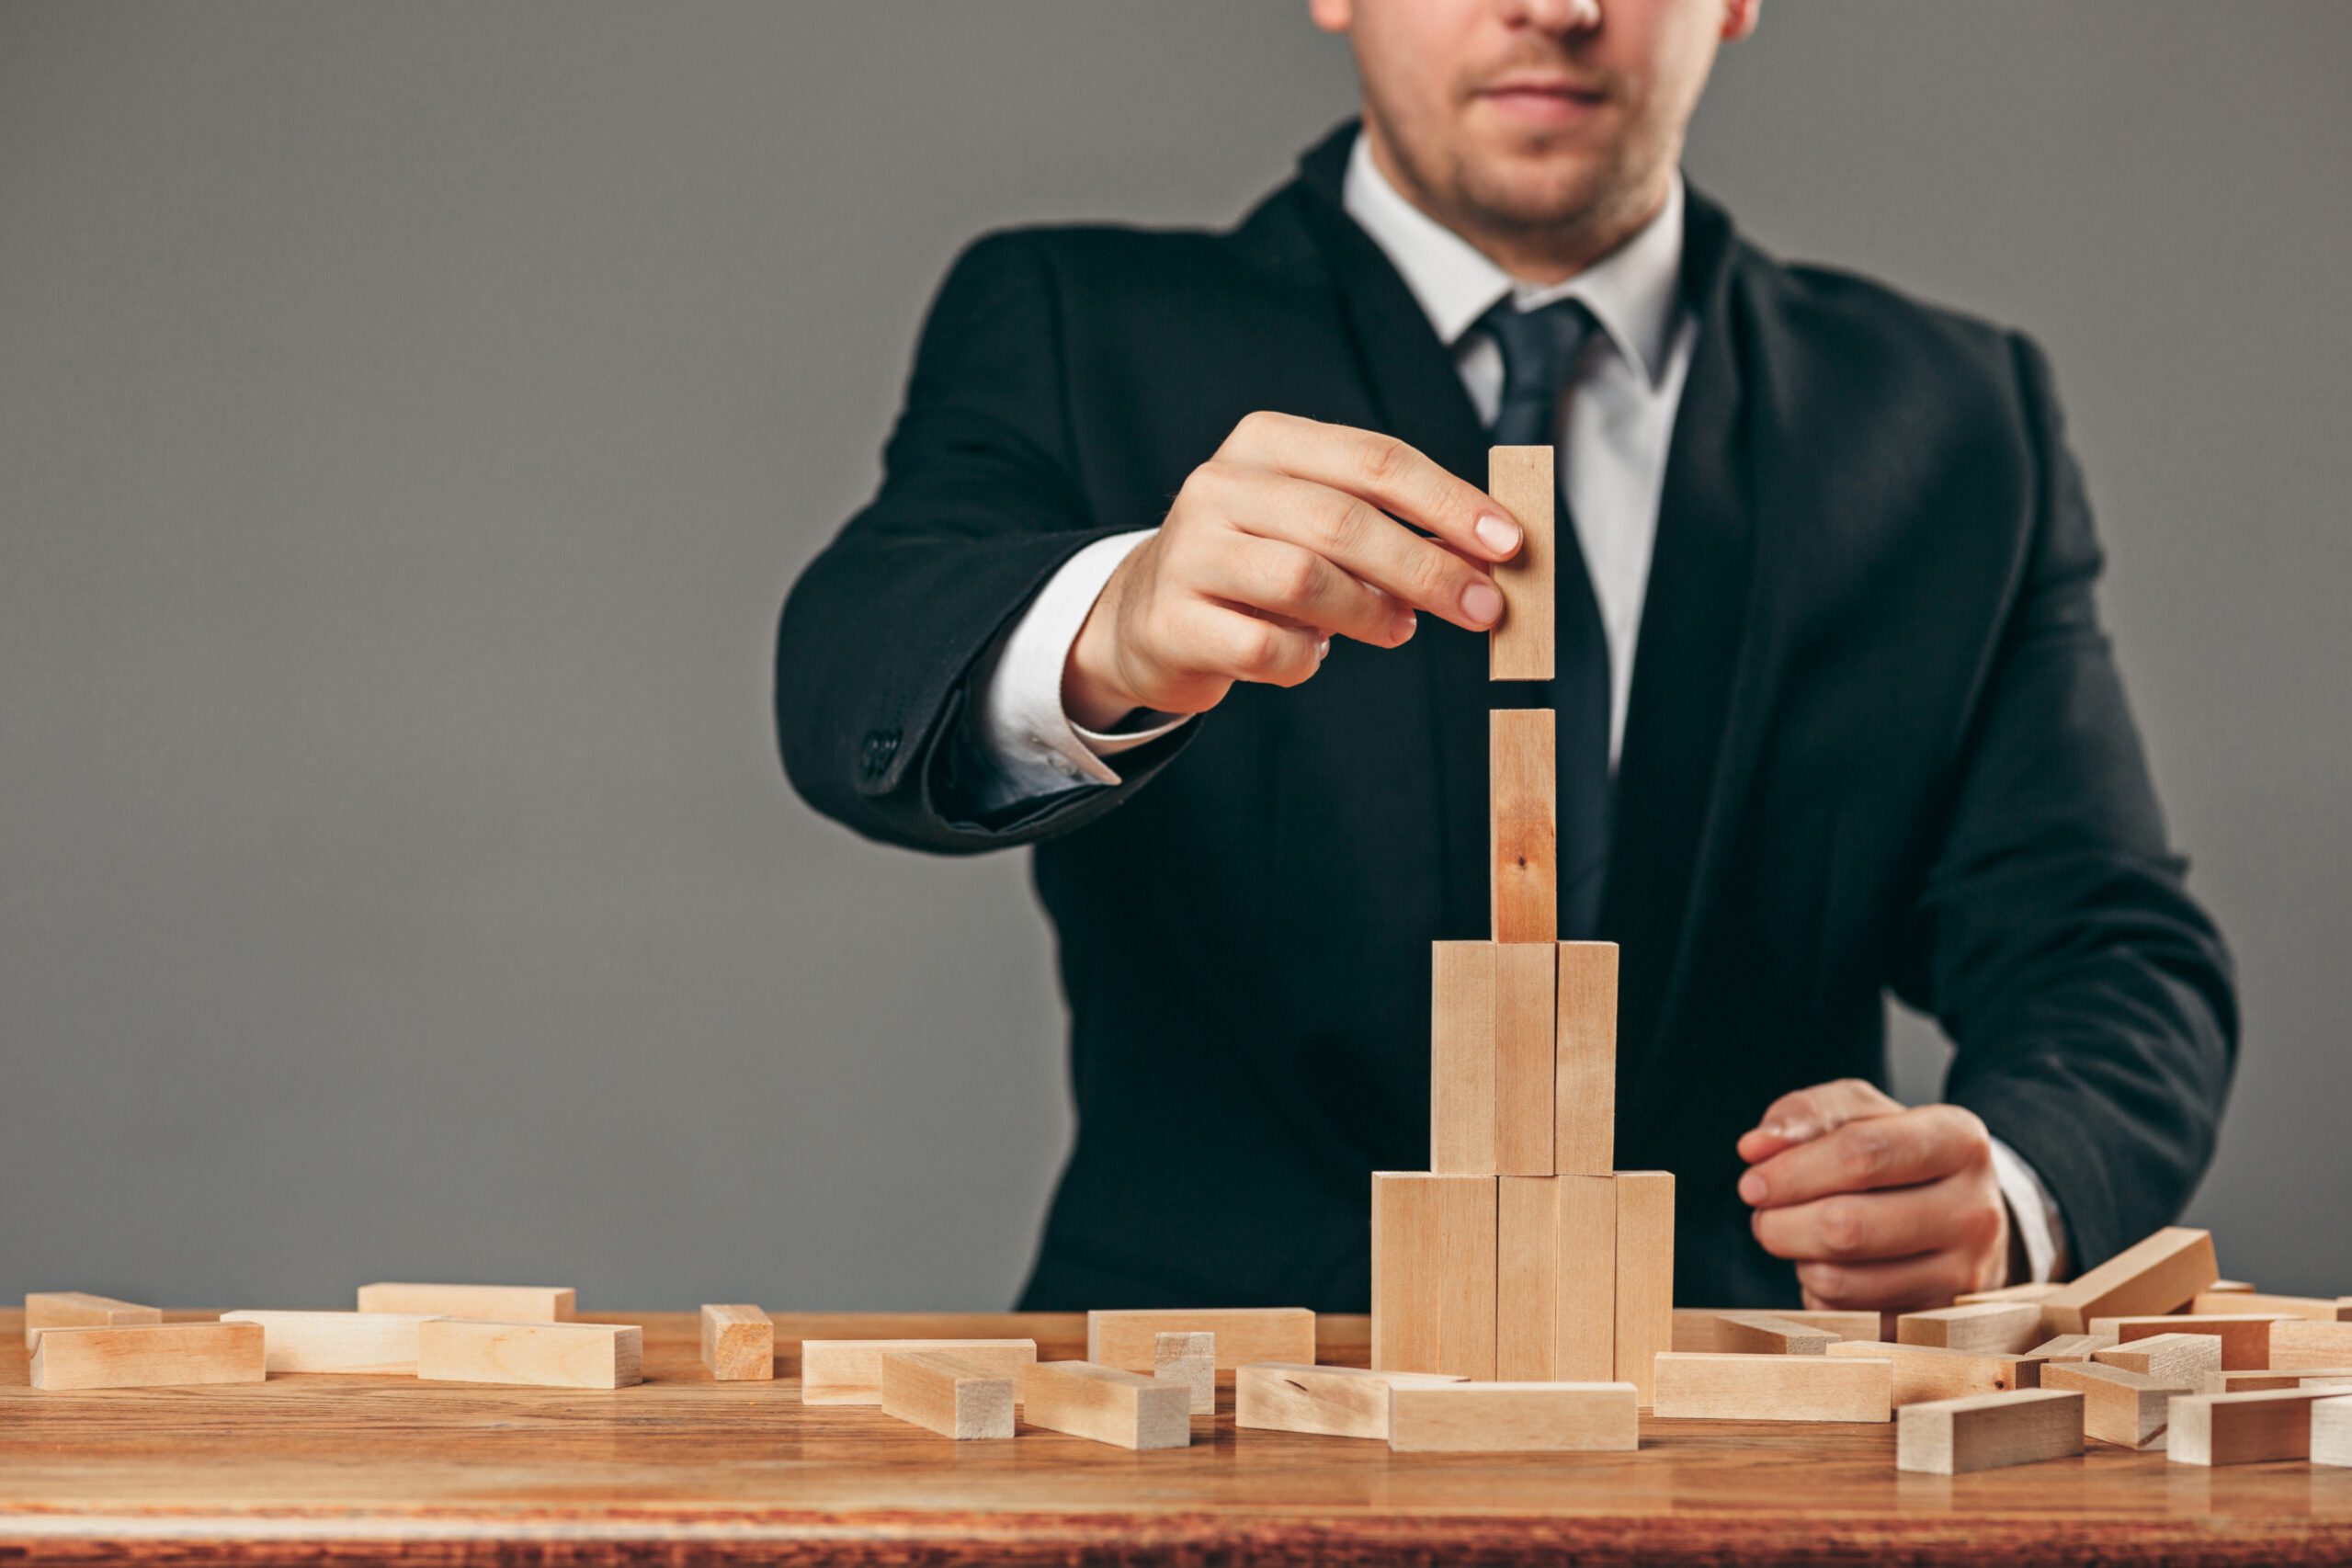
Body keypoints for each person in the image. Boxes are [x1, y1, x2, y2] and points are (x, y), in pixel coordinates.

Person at [774, 0, 2235, 1314]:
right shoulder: (1076, 323)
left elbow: (2105, 949)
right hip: (1198, 1415)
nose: (1558, 9)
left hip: (1746, 1428)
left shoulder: (1953, 419)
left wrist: (2011, 1197)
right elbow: (855, 672)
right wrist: (1116, 617)